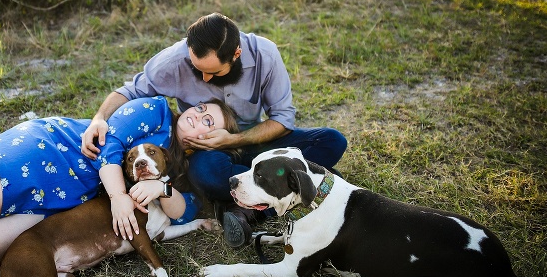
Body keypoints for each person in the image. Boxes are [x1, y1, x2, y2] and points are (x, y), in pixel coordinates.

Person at [81, 13, 347, 249]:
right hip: (207, 151)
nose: (205, 79)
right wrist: (99, 118)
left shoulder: (266, 54)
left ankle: (244, 208)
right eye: (198, 71)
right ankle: (293, 185)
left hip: (253, 138)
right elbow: (129, 91)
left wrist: (235, 138)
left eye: (213, 72)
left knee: (331, 141)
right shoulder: (174, 60)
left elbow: (283, 119)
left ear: (236, 55)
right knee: (205, 173)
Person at [0, 96, 239, 266]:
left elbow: (181, 212)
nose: (199, 117)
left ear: (215, 141)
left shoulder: (181, 169)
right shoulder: (155, 110)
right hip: (56, 152)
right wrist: (117, 196)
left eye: (210, 123)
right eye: (202, 109)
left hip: (73, 200)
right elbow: (109, 143)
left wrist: (163, 187)